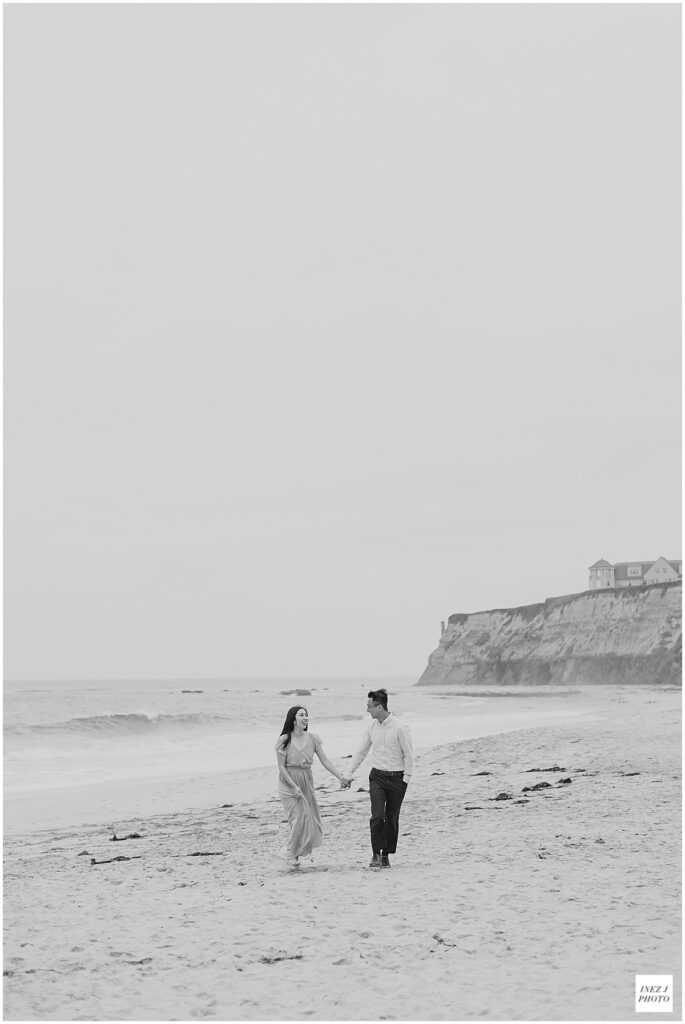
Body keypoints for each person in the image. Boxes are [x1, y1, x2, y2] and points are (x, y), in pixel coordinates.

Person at [343, 688, 413, 870]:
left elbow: (409, 755)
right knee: (377, 816)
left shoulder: (400, 727)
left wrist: (406, 779)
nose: (367, 710)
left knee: (391, 818)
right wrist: (348, 774)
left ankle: (385, 855)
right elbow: (361, 751)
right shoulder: (371, 728)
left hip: (397, 779)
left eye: (369, 706)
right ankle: (375, 854)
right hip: (377, 778)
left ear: (379, 707)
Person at [275, 705, 349, 871]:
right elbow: (281, 767)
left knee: (310, 819)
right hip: (288, 782)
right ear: (293, 719)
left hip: (306, 781)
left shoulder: (313, 739)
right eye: (302, 715)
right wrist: (293, 787)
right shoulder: (284, 740)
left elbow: (325, 760)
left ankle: (293, 852)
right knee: (298, 818)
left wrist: (340, 776)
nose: (305, 718)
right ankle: (290, 854)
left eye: (307, 715)